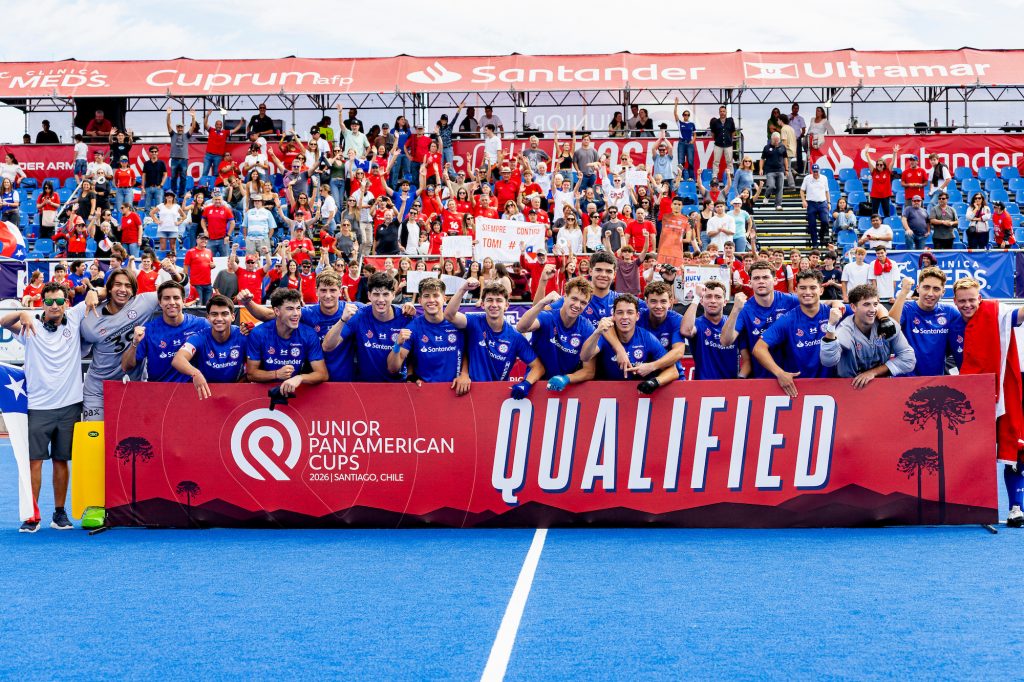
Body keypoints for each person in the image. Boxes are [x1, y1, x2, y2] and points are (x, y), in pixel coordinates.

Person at [0, 282, 85, 532]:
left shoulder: (75, 317)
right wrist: (22, 313)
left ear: (66, 303)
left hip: (69, 405)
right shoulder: (31, 327)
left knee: (61, 460)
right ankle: (32, 514)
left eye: (59, 301)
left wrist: (92, 293)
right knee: (34, 462)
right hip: (38, 407)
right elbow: (4, 322)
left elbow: (100, 293)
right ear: (42, 303)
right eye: (49, 302)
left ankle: (59, 513)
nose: (54, 306)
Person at [947, 278, 1024, 524]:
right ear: (955, 301)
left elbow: (1019, 315)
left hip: (1002, 391)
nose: (968, 305)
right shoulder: (952, 325)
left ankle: (1016, 507)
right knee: (970, 454)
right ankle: (970, 506)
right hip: (968, 398)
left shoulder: (995, 313)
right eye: (962, 301)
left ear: (980, 298)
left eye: (972, 300)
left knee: (1013, 445)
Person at [80, 265, 186, 420]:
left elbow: (177, 290)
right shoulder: (90, 321)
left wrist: (173, 271)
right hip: (98, 388)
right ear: (109, 288)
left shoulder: (144, 303)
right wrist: (95, 291)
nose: (123, 289)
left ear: (134, 290)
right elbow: (81, 351)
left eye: (128, 286)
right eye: (117, 284)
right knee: (95, 432)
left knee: (132, 433)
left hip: (133, 383)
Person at [753, 269, 842, 396]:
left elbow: (867, 309)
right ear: (796, 290)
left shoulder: (834, 312)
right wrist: (779, 373)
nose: (807, 292)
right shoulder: (788, 319)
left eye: (813, 288)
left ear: (821, 290)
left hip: (831, 388)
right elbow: (758, 348)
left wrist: (882, 318)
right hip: (797, 390)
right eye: (803, 288)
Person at [819, 283, 916, 387]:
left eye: (875, 304)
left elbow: (909, 360)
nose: (872, 309)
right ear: (853, 307)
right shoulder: (845, 330)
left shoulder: (887, 325)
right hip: (851, 387)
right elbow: (828, 361)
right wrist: (831, 326)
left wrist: (873, 373)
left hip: (882, 386)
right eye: (866, 304)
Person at [580, 294, 677, 393]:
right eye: (620, 312)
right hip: (607, 394)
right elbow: (584, 357)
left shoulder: (647, 338)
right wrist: (596, 333)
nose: (625, 317)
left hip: (638, 395)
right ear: (613, 316)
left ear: (637, 316)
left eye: (630, 312)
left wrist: (653, 382)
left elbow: (673, 371)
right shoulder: (604, 335)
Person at [323, 272, 407, 382]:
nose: (381, 299)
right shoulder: (359, 316)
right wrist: (342, 320)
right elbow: (327, 346)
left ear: (393, 295)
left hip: (398, 385)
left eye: (386, 294)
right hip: (365, 386)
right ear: (369, 295)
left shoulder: (406, 317)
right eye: (376, 294)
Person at [721, 260, 799, 378]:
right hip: (760, 378)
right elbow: (725, 341)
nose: (761, 281)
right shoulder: (745, 309)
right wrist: (735, 309)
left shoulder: (791, 301)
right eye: (756, 278)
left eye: (765, 277)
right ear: (750, 283)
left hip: (791, 376)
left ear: (775, 280)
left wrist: (830, 303)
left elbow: (818, 305)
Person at [515, 277, 597, 389]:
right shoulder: (548, 317)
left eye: (583, 302)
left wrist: (566, 378)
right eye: (574, 299)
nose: (577, 305)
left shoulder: (587, 328)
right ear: (565, 296)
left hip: (564, 388)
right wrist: (542, 302)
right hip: (535, 385)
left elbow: (589, 371)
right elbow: (521, 327)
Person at [121, 280, 210, 381]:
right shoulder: (149, 330)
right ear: (160, 302)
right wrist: (134, 343)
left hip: (193, 388)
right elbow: (126, 366)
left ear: (183, 301)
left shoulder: (201, 325)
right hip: (159, 389)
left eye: (176, 298)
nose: (172, 302)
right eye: (166, 298)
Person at [245, 287, 328, 396]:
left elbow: (322, 374)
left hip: (297, 392)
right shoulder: (259, 333)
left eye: (298, 308)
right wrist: (276, 374)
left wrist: (300, 378)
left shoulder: (309, 334)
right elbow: (251, 374)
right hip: (264, 393)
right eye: (290, 309)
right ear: (277, 311)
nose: (296, 313)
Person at [171, 294, 247, 398]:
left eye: (224, 314)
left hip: (235, 391)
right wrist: (195, 373)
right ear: (208, 318)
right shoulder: (199, 337)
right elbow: (178, 360)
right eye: (214, 314)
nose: (219, 318)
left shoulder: (243, 335)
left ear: (233, 317)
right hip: (206, 392)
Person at [887, 267, 956, 377]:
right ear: (918, 288)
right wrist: (903, 293)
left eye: (936, 289)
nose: (930, 293)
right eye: (926, 287)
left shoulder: (949, 312)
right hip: (903, 381)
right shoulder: (906, 308)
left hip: (934, 381)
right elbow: (889, 328)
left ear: (943, 292)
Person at [682, 281, 741, 379]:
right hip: (703, 385)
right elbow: (686, 331)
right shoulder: (697, 324)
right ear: (701, 301)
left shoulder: (734, 323)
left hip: (731, 385)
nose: (713, 301)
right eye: (708, 296)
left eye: (718, 297)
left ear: (725, 302)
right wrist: (696, 297)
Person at [166, 108, 198, 199]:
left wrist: (193, 117)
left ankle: (181, 194)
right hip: (174, 159)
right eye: (178, 127)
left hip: (184, 159)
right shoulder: (173, 134)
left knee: (183, 178)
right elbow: (168, 125)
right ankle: (173, 193)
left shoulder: (186, 135)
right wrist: (168, 115)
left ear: (183, 128)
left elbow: (193, 127)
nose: (180, 128)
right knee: (173, 178)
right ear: (176, 128)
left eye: (181, 127)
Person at [203, 111, 244, 178]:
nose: (219, 126)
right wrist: (207, 115)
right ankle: (202, 184)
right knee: (205, 172)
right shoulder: (211, 130)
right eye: (217, 124)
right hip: (208, 155)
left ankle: (215, 185)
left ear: (221, 126)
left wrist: (241, 124)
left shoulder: (225, 132)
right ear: (215, 125)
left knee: (216, 173)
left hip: (218, 156)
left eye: (220, 124)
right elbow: (205, 124)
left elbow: (234, 130)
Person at [864, 143, 899, 218]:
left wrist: (894, 153)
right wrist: (866, 154)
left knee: (886, 212)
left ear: (884, 165)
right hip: (875, 195)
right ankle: (874, 224)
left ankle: (886, 224)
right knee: (874, 213)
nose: (879, 166)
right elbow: (869, 162)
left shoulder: (887, 171)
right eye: (877, 164)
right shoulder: (874, 172)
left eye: (881, 165)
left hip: (885, 195)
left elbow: (892, 162)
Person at [800, 164, 831, 247]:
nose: (815, 173)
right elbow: (802, 190)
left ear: (819, 171)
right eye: (814, 172)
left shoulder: (824, 178)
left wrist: (829, 202)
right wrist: (803, 201)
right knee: (812, 224)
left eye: (817, 171)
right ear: (812, 171)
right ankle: (815, 242)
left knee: (825, 221)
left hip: (822, 202)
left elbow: (827, 191)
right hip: (811, 203)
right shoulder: (807, 178)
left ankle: (821, 236)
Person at [759, 132, 788, 211]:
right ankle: (767, 196)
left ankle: (778, 204)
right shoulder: (766, 147)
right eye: (775, 140)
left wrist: (786, 169)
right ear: (772, 139)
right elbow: (762, 159)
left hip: (780, 170)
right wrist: (761, 169)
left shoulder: (782, 147)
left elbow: (785, 158)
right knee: (771, 186)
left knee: (780, 188)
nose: (776, 142)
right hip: (770, 170)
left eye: (778, 140)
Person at [184, 234, 215, 305]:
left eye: (205, 239)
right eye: (202, 239)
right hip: (196, 284)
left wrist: (213, 266)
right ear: (197, 240)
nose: (204, 241)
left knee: (208, 305)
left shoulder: (209, 251)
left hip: (208, 283)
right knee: (199, 306)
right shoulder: (190, 252)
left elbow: (211, 264)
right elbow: (186, 267)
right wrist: (186, 281)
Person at [709, 105, 736, 179]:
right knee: (716, 161)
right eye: (721, 111)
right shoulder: (715, 122)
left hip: (728, 144)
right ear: (719, 112)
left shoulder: (730, 121)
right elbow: (713, 134)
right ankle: (714, 176)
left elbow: (733, 132)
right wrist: (718, 139)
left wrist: (729, 138)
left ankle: (731, 174)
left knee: (729, 161)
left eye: (723, 111)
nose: (722, 113)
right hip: (718, 144)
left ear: (726, 112)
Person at [673, 98, 697, 180]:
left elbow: (695, 134)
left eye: (688, 115)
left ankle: (691, 177)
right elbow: (675, 114)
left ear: (689, 116)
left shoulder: (692, 124)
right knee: (680, 161)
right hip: (682, 143)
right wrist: (676, 104)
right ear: (683, 115)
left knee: (690, 161)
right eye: (685, 114)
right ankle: (681, 176)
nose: (686, 116)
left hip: (689, 144)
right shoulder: (680, 123)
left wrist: (692, 141)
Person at [141, 145, 169, 211]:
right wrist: (143, 187)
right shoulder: (146, 163)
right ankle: (147, 217)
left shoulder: (161, 163)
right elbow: (144, 175)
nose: (154, 153)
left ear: (157, 152)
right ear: (149, 153)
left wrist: (161, 184)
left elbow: (165, 174)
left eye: (155, 151)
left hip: (158, 187)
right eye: (152, 151)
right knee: (147, 207)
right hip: (148, 187)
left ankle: (158, 217)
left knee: (159, 207)